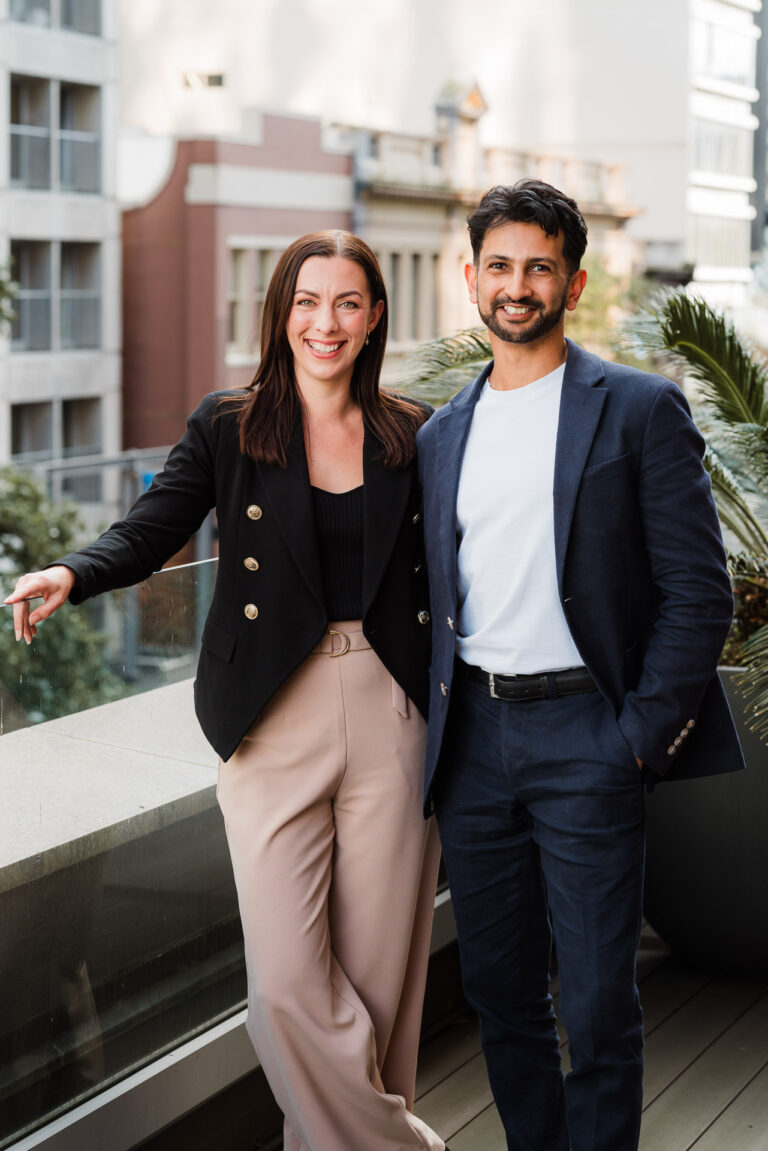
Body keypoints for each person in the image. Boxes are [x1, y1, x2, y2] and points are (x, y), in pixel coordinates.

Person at [6, 231, 447, 1151]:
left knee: (375, 985)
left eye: (348, 303)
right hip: (268, 719)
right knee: (289, 986)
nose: (326, 322)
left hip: (392, 709)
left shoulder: (412, 432)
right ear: (281, 312)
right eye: (307, 301)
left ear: (374, 318)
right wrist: (71, 572)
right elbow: (150, 526)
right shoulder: (231, 423)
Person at [416, 180, 745, 1151]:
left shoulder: (638, 409)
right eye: (502, 266)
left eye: (540, 267)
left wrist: (637, 739)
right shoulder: (441, 434)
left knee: (600, 1000)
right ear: (472, 278)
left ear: (573, 279)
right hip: (473, 739)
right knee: (500, 991)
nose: (518, 285)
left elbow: (700, 592)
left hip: (586, 736)